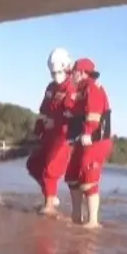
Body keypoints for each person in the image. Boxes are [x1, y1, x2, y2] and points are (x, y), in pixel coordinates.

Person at [26, 47, 77, 215]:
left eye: (59, 72)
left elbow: (73, 116)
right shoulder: (50, 87)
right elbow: (43, 111)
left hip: (63, 136)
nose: (56, 77)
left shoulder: (73, 88)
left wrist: (56, 121)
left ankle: (49, 207)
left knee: (51, 170)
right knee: (33, 164)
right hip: (48, 135)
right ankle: (50, 195)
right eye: (53, 73)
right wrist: (37, 131)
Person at [64, 58, 113, 228]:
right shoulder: (80, 91)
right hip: (82, 141)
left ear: (83, 73)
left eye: (74, 72)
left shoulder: (92, 88)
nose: (71, 76)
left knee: (88, 178)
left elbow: (94, 115)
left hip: (96, 141)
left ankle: (93, 221)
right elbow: (74, 113)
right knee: (71, 176)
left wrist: (88, 133)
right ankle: (77, 215)